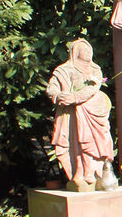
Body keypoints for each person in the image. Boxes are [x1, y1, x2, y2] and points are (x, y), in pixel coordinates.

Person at [46, 39, 114, 190]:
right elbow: (52, 89)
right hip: (72, 116)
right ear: (76, 52)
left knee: (95, 143)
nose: (88, 52)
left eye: (90, 50)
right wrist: (59, 96)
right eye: (84, 50)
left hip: (94, 113)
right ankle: (79, 173)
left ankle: (94, 172)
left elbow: (92, 89)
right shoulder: (64, 70)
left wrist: (75, 97)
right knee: (77, 144)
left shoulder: (95, 70)